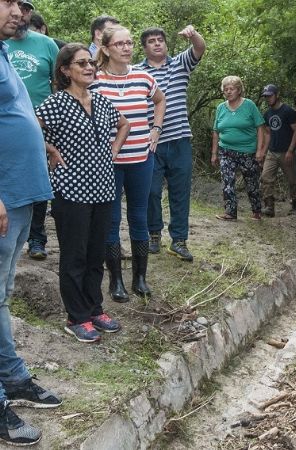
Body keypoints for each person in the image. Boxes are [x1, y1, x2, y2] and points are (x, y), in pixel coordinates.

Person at [36, 44, 131, 342]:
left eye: (91, 62)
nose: (89, 67)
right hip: (71, 192)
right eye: (81, 63)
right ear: (65, 70)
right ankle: (76, 317)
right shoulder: (56, 103)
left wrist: (112, 151)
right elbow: (29, 128)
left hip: (103, 189)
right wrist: (49, 148)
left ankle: (94, 308)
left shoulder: (101, 102)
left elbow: (124, 124)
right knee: (74, 256)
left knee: (94, 254)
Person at [0, 1, 63, 444]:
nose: (17, 10)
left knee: (1, 295)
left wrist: (40, 144)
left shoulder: (4, 51)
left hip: (20, 194)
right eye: (7, 2)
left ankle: (13, 378)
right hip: (3, 195)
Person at [93, 26, 166, 302]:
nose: (126, 48)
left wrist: (155, 130)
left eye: (130, 43)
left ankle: (140, 279)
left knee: (139, 217)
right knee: (111, 220)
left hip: (141, 159)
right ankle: (116, 281)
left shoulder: (144, 77)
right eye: (120, 44)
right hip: (108, 162)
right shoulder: (96, 80)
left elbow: (160, 101)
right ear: (107, 48)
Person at [135, 25, 205, 262]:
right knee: (151, 192)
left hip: (179, 139)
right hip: (150, 142)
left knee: (180, 192)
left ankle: (179, 240)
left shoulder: (180, 64)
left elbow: (199, 48)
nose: (157, 44)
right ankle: (154, 234)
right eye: (151, 41)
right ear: (144, 48)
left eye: (160, 40)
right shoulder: (136, 72)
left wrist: (193, 34)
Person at [4, 0, 58, 260]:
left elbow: (59, 83)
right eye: (10, 4)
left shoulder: (45, 44)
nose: (19, 13)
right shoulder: (5, 45)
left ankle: (37, 238)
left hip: (40, 129)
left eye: (24, 8)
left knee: (38, 185)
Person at [211, 76, 267, 221]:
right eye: (225, 89)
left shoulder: (249, 105)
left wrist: (260, 150)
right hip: (226, 150)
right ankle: (230, 212)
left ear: (239, 90)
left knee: (251, 183)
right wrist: (214, 153)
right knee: (227, 181)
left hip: (247, 152)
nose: (228, 92)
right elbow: (216, 131)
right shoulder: (221, 108)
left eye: (232, 89)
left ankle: (256, 210)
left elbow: (260, 127)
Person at [260, 84, 296, 216]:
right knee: (266, 177)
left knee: (292, 180)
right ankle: (269, 206)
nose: (268, 98)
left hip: (286, 151)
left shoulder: (287, 111)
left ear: (277, 95)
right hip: (272, 151)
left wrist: (290, 150)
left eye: (270, 96)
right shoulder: (267, 114)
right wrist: (263, 152)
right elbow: (268, 134)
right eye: (266, 96)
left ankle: (295, 205)